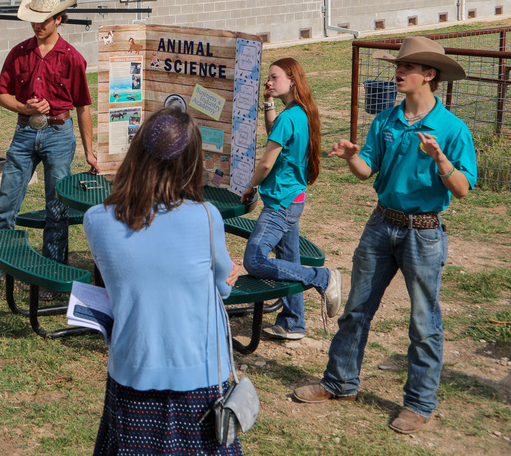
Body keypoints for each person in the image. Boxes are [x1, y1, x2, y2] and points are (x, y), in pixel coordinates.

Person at [293, 36, 476, 435]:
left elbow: (462, 188)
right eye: (399, 65)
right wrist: (351, 156)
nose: (399, 72)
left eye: (407, 67)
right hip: (381, 225)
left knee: (424, 321)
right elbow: (366, 170)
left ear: (429, 74)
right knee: (356, 309)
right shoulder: (386, 120)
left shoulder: (452, 129)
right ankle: (339, 382)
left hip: (423, 234)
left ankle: (419, 403)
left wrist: (440, 159)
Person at [83, 107, 241, 455]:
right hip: (199, 375)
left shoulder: (96, 220)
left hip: (133, 369)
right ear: (192, 163)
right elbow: (223, 287)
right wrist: (229, 273)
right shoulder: (207, 217)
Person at [0, 0, 100, 299]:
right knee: (5, 204)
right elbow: (1, 95)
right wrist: (24, 108)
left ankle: (52, 276)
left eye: (44, 20)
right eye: (33, 20)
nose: (37, 25)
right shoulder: (19, 53)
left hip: (59, 135)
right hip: (24, 133)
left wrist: (90, 153)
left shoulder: (73, 58)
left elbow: (83, 107)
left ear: (59, 19)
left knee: (57, 208)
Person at [240, 58, 341, 340]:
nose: (268, 82)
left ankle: (322, 277)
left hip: (280, 203)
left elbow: (265, 164)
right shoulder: (300, 112)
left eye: (274, 77)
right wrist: (268, 102)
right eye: (267, 78)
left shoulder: (289, 117)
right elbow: (275, 131)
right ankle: (293, 322)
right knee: (288, 259)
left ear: (292, 80)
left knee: (254, 260)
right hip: (293, 198)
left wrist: (251, 187)